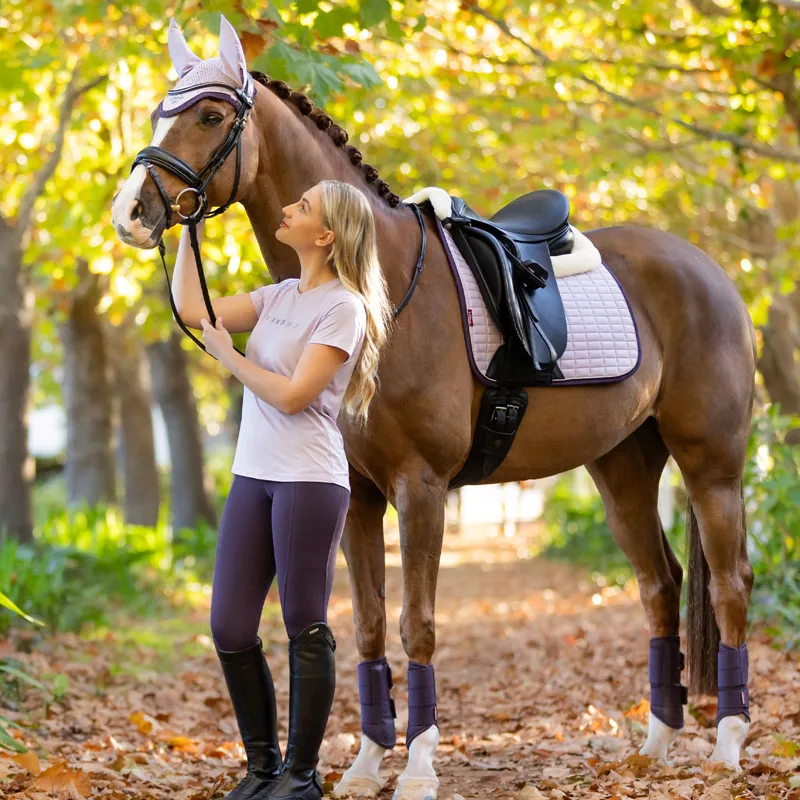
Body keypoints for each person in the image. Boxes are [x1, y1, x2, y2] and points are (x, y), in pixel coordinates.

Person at [173, 179, 394, 800]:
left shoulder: (344, 308)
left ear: (324, 236)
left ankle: (300, 778)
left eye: (303, 206)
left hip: (308, 477)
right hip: (254, 473)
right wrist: (187, 230)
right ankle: (263, 767)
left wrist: (230, 357)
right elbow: (195, 311)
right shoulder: (279, 296)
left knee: (303, 620)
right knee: (230, 625)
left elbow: (296, 395)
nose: (288, 207)